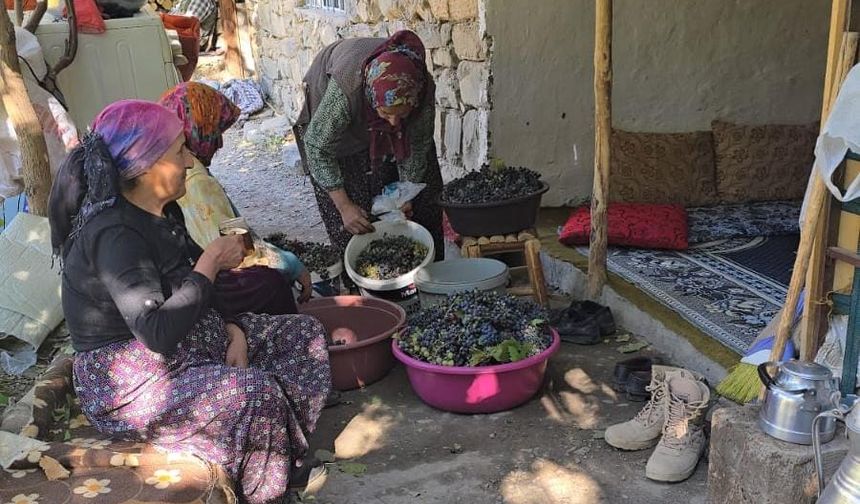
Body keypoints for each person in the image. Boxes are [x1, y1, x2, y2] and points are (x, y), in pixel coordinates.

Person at [48, 100, 331, 504]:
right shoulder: (114, 236)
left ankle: (279, 452)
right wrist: (212, 260)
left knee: (303, 334)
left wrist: (234, 329)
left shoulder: (165, 210)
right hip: (130, 378)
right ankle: (264, 490)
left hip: (190, 340)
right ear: (146, 166)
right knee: (252, 393)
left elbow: (199, 286)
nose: (191, 161)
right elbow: (157, 333)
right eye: (180, 151)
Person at [158, 81, 312, 312]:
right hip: (207, 286)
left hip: (187, 278)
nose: (220, 143)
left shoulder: (167, 170)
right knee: (271, 284)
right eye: (216, 132)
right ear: (197, 130)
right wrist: (291, 265)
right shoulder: (196, 181)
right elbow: (237, 249)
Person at [294, 30, 444, 259]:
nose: (393, 122)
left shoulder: (419, 90)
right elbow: (317, 147)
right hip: (333, 129)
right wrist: (344, 206)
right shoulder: (347, 88)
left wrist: (405, 196)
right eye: (386, 112)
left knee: (424, 202)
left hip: (379, 105)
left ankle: (427, 274)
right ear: (372, 99)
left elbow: (417, 146)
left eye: (401, 114)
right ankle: (359, 286)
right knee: (356, 219)